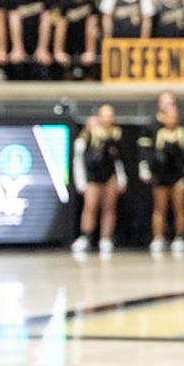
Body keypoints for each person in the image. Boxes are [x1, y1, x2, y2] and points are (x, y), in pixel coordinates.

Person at [139, 92, 184, 256]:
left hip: (179, 174)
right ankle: (159, 237)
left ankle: (180, 236)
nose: (172, 117)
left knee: (180, 206)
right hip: (161, 174)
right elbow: (146, 151)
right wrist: (145, 166)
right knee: (160, 207)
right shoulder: (154, 128)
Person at [70, 103, 126, 256]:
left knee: (109, 208)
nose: (107, 118)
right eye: (104, 115)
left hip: (110, 176)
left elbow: (119, 159)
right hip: (92, 176)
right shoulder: (89, 133)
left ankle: (106, 238)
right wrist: (81, 180)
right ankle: (86, 236)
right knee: (90, 207)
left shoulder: (116, 133)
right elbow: (79, 157)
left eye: (110, 115)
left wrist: (121, 177)